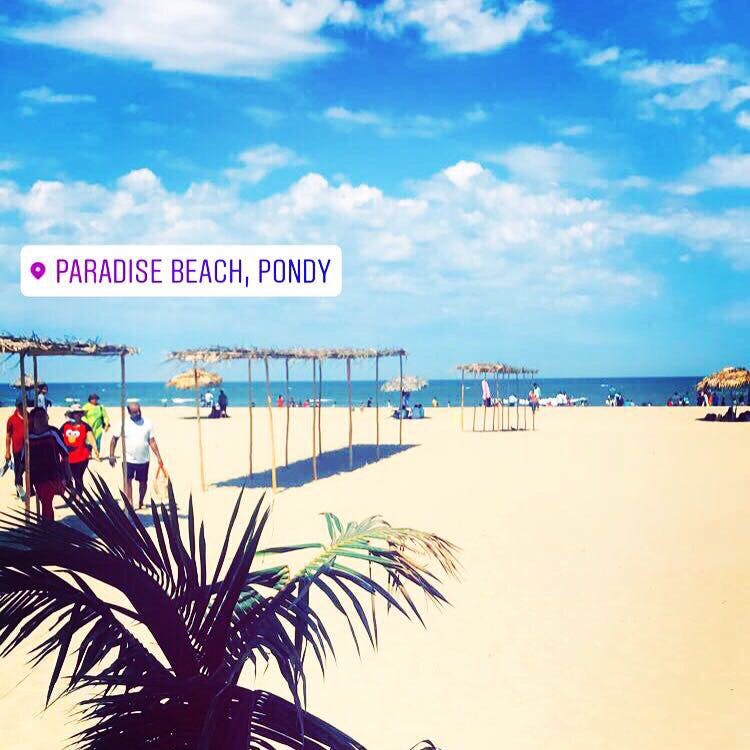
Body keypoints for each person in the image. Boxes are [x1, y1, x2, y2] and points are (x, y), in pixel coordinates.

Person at [109, 401, 165, 509]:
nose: (138, 413)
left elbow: (152, 441)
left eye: (139, 410)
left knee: (143, 482)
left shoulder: (147, 423)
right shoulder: (122, 423)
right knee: (127, 481)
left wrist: (158, 457)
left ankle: (141, 501)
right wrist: (111, 455)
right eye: (135, 412)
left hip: (144, 459)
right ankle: (129, 503)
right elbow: (114, 440)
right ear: (129, 413)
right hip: (128, 459)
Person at [23, 407, 71, 520]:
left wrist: (68, 472)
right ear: (33, 419)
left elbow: (64, 453)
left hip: (52, 473)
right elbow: (23, 458)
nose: (42, 419)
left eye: (44, 416)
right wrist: (20, 477)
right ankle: (47, 525)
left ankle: (47, 526)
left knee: (46, 502)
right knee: (44, 501)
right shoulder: (29, 436)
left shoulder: (53, 432)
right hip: (37, 475)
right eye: (39, 416)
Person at [61, 404, 99, 495]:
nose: (77, 415)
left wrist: (95, 449)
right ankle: (73, 491)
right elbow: (60, 438)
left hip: (81, 457)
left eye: (79, 413)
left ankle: (79, 496)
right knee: (66, 478)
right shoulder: (65, 426)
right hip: (67, 457)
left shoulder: (85, 426)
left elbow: (91, 438)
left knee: (78, 477)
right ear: (72, 414)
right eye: (75, 413)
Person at [5, 398, 27, 494]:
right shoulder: (11, 419)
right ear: (17, 406)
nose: (22, 407)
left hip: (29, 449)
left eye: (23, 405)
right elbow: (8, 435)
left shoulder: (29, 416)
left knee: (29, 469)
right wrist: (7, 451)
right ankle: (20, 490)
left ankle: (31, 489)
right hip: (17, 449)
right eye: (20, 405)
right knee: (18, 470)